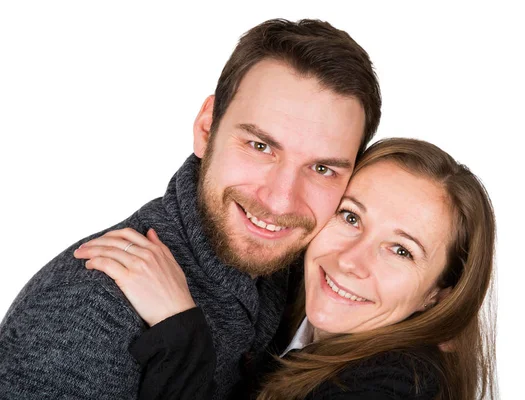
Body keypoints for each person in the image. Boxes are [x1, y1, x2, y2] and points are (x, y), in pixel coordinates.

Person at [0, 19, 381, 399]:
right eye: (260, 146)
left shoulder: (309, 279)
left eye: (321, 169)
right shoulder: (87, 311)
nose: (280, 200)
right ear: (206, 128)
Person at [79, 138, 498, 399]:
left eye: (401, 251)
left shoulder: (397, 385)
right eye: (350, 217)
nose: (350, 260)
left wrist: (179, 329)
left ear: (440, 294)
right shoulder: (282, 311)